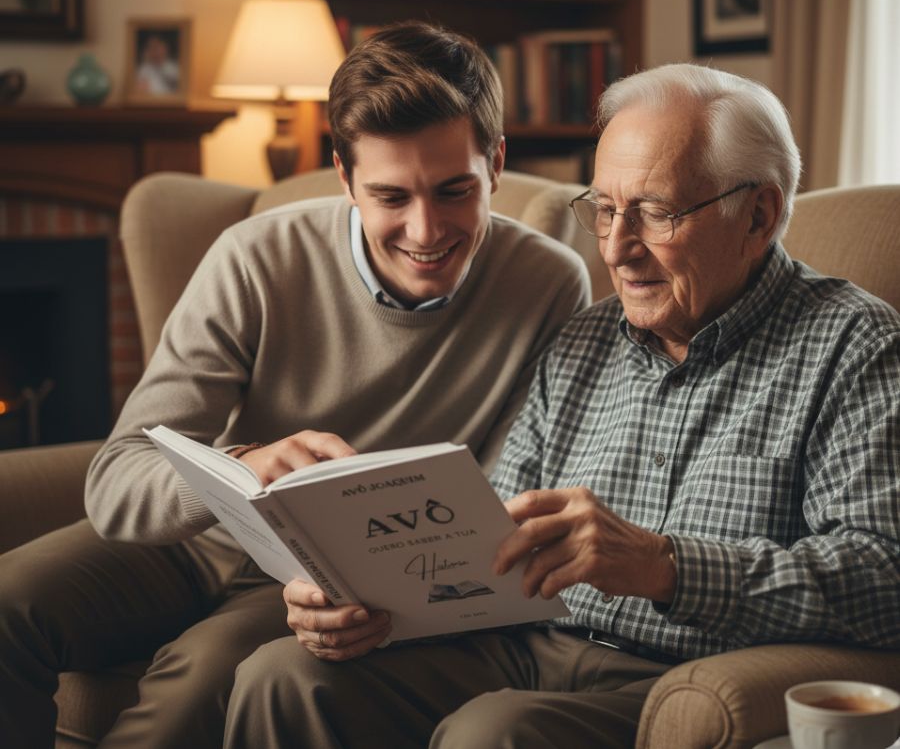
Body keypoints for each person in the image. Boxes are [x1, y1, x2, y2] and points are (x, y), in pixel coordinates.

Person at [223, 63, 900, 749]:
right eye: (605, 209)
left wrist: (666, 568)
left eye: (656, 213)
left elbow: (884, 575)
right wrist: (365, 600)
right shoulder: (584, 339)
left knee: (495, 732)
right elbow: (487, 542)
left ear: (758, 214)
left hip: (682, 674)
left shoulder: (852, 344)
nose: (616, 248)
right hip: (525, 646)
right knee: (283, 675)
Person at [0, 21, 592, 749]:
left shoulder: (551, 284)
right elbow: (118, 480)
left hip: (338, 574)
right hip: (195, 535)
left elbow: (505, 499)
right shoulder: (257, 256)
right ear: (344, 178)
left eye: (454, 190)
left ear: (495, 164)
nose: (426, 229)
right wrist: (237, 471)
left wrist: (390, 593)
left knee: (197, 687)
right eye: (390, 197)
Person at [134, 31, 181, 95]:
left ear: (165, 48)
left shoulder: (175, 68)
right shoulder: (143, 69)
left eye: (156, 47)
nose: (154, 51)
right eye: (150, 47)